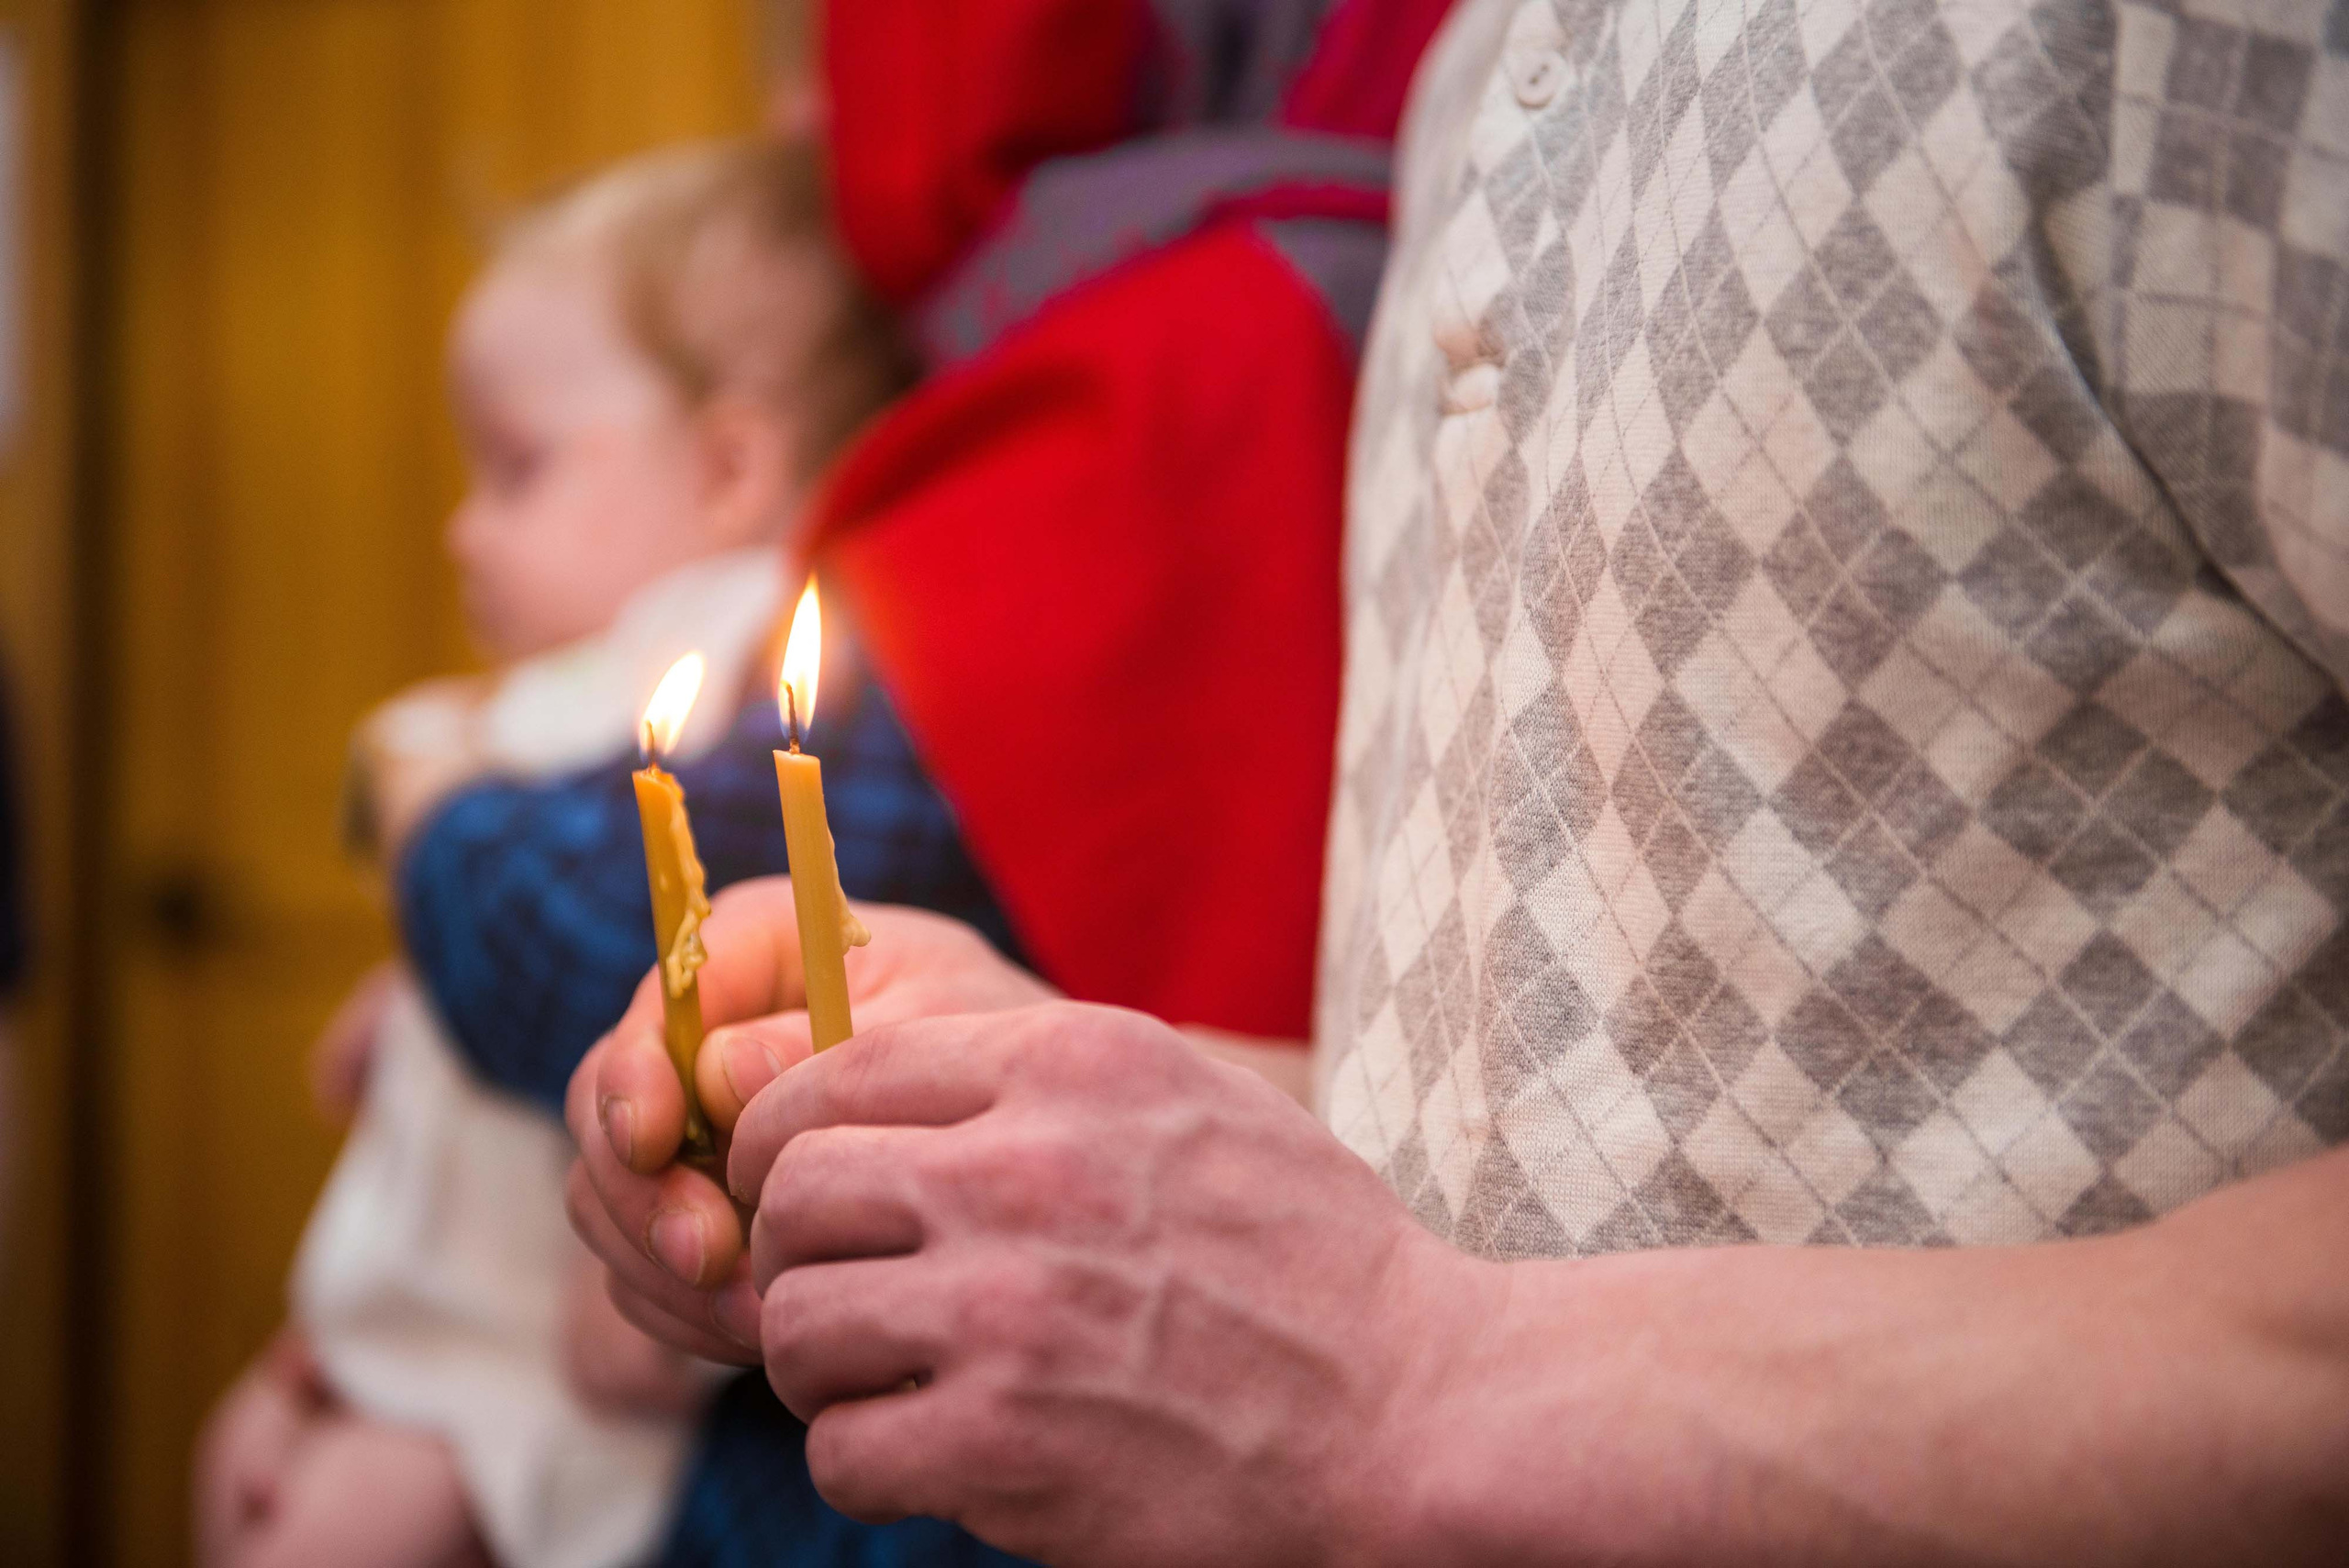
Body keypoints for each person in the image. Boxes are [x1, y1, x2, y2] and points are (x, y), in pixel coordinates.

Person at [569, 0, 2349, 1561]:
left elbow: (1432, 1360)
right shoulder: (1472, 74)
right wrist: (1024, 1110)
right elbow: (1627, 1130)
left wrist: (1419, 1387)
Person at [394, 2, 1458, 1563]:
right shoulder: (1218, 298)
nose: (797, 135)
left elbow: (601, 917)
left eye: (830, 61)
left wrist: (415, 798)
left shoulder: (1179, 343)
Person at [195, 139, 915, 1568]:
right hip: (407, 1328)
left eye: (518, 468)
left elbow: (723, 977)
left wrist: (692, 1277)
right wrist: (411, 999)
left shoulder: (736, 655)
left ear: (728, 465)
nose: (464, 529)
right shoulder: (587, 679)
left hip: (524, 1373)